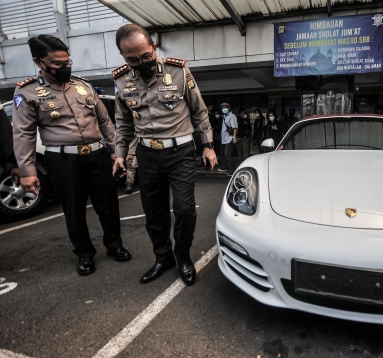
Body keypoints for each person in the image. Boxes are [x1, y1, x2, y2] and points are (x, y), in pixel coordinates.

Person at [12, 34, 130, 276]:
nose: (65, 67)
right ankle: (85, 254)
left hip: (97, 156)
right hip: (64, 161)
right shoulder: (28, 92)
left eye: (67, 62)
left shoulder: (83, 86)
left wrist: (117, 152)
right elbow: (23, 134)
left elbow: (106, 122)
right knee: (74, 210)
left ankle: (114, 245)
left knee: (108, 205)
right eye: (57, 63)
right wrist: (28, 171)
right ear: (39, 62)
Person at [111, 24, 216, 285]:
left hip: (180, 152)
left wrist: (207, 145)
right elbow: (123, 123)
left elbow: (199, 111)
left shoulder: (178, 71)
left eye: (145, 56)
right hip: (147, 154)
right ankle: (163, 257)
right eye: (132, 60)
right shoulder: (122, 80)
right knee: (154, 212)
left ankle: (183, 257)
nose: (140, 63)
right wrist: (119, 154)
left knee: (184, 209)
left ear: (154, 47)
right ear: (124, 57)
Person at [220, 103, 237, 176]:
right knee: (226, 154)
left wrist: (234, 137)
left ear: (229, 108)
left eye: (225, 107)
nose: (224, 109)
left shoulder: (232, 116)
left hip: (229, 138)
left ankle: (232, 170)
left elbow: (235, 128)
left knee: (228, 154)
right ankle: (228, 168)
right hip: (224, 139)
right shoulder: (225, 117)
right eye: (222, 108)